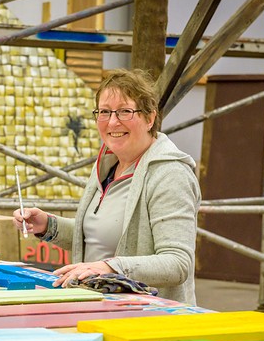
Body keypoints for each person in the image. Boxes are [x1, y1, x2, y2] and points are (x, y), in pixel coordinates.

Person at [13, 69, 201, 304]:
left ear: (150, 118)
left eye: (125, 111)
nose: (113, 121)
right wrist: (48, 226)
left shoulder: (169, 173)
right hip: (100, 308)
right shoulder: (108, 167)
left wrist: (109, 267)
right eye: (104, 112)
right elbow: (101, 236)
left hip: (151, 319)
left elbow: (177, 263)